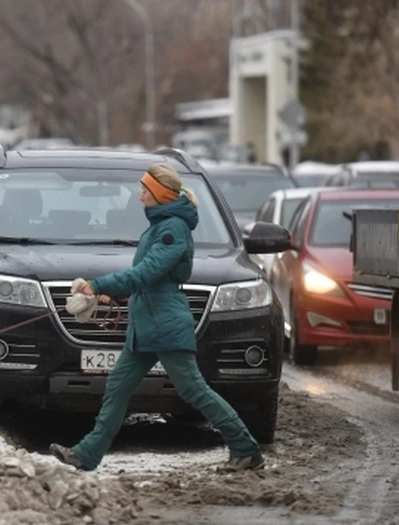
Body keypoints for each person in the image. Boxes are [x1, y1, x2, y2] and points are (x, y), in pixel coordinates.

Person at [49, 163, 265, 473]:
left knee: (193, 390)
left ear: (160, 195)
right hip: (146, 326)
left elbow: (147, 272)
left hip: (164, 324)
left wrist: (98, 285)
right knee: (118, 387)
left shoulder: (172, 228)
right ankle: (87, 454)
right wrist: (115, 295)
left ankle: (246, 449)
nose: (139, 197)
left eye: (144, 191)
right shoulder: (160, 226)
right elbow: (152, 280)